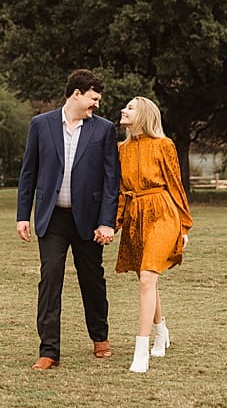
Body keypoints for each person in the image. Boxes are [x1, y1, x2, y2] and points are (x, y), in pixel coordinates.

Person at [16, 69, 121, 370]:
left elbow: (111, 180)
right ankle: (49, 351)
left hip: (89, 220)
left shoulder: (103, 130)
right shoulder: (41, 125)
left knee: (92, 280)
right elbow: (28, 174)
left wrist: (106, 222)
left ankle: (100, 337)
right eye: (94, 98)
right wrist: (23, 215)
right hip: (52, 219)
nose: (96, 105)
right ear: (77, 93)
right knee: (50, 280)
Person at [114, 96, 193, 373]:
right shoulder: (121, 149)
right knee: (147, 277)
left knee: (148, 277)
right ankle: (161, 331)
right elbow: (122, 192)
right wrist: (114, 224)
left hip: (163, 212)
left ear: (144, 115)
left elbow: (176, 185)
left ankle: (141, 349)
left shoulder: (164, 145)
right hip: (137, 216)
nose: (124, 110)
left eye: (130, 108)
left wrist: (184, 226)